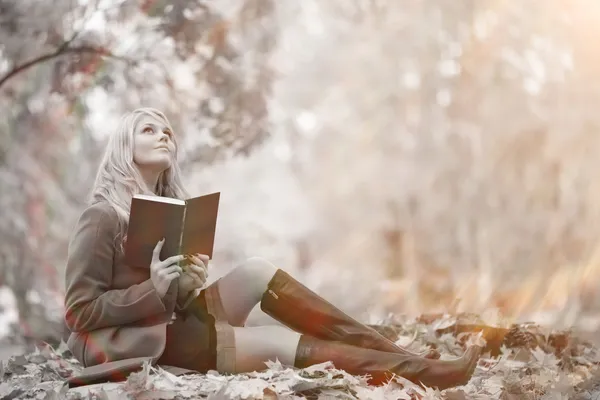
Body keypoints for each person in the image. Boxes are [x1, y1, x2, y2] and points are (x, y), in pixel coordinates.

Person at [63, 107, 483, 390]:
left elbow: (170, 299)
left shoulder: (170, 212)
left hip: (171, 321)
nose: (164, 137)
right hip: (139, 341)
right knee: (279, 341)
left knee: (257, 269)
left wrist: (188, 283)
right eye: (149, 130)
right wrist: (152, 290)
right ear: (124, 146)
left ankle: (398, 355)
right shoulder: (102, 217)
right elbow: (78, 313)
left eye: (168, 131)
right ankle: (429, 374)